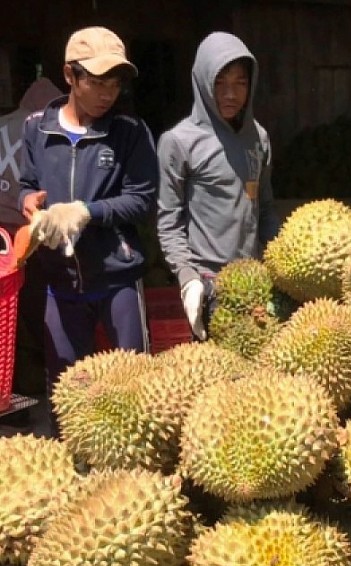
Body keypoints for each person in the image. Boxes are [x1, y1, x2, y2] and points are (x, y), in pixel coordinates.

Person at [17, 26, 158, 434]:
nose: (106, 93)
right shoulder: (37, 128)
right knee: (65, 392)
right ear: (69, 75)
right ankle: (68, 473)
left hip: (118, 278)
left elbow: (142, 199)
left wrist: (87, 211)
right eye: (95, 82)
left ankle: (138, 476)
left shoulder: (130, 132)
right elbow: (27, 183)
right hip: (58, 282)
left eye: (113, 83)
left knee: (137, 387)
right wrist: (30, 202)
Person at [156, 32, 277, 341]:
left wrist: (276, 263)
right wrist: (187, 278)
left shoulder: (258, 138)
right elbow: (169, 221)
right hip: (210, 285)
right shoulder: (179, 141)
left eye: (240, 83)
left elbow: (265, 208)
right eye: (220, 82)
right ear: (203, 83)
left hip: (254, 281)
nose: (231, 94)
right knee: (218, 381)